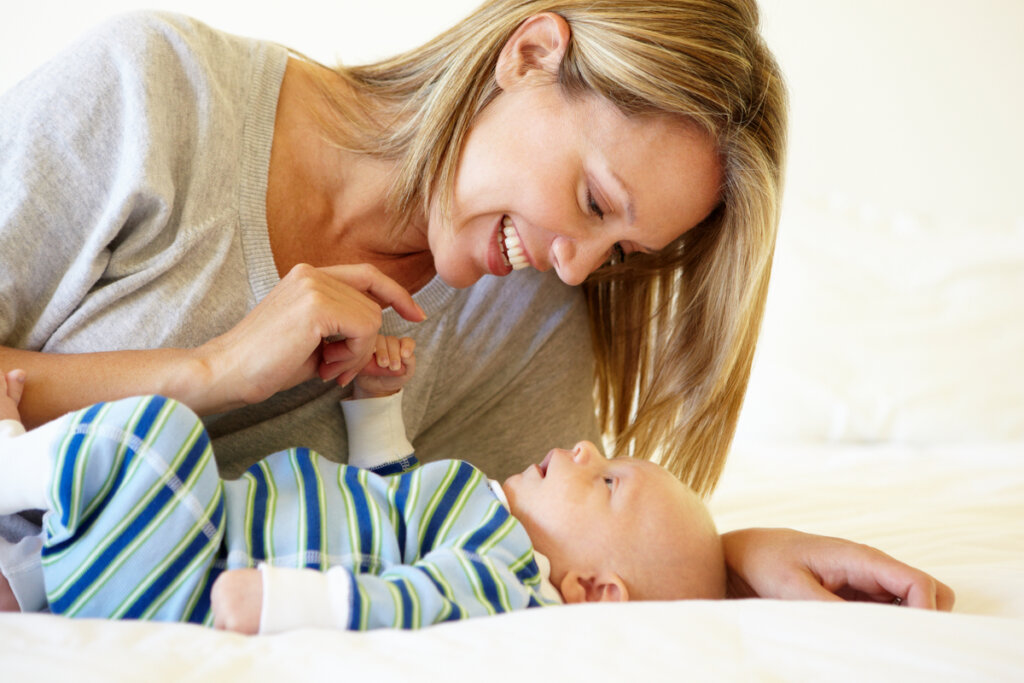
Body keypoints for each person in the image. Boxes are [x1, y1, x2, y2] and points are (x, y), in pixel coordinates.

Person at [0, 0, 951, 609]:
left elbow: (549, 563)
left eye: (621, 251)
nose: (575, 268)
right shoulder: (157, 94)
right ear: (530, 53)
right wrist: (211, 372)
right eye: (594, 203)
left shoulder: (525, 323)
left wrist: (730, 565)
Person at [0, 340, 728, 631]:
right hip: (179, 548)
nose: (586, 447)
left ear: (595, 589)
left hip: (200, 574)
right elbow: (385, 502)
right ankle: (25, 578)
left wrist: (289, 602)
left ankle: (10, 460)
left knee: (158, 436)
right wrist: (377, 404)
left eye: (608, 479)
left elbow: (414, 599)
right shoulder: (479, 516)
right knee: (78, 525)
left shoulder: (508, 578)